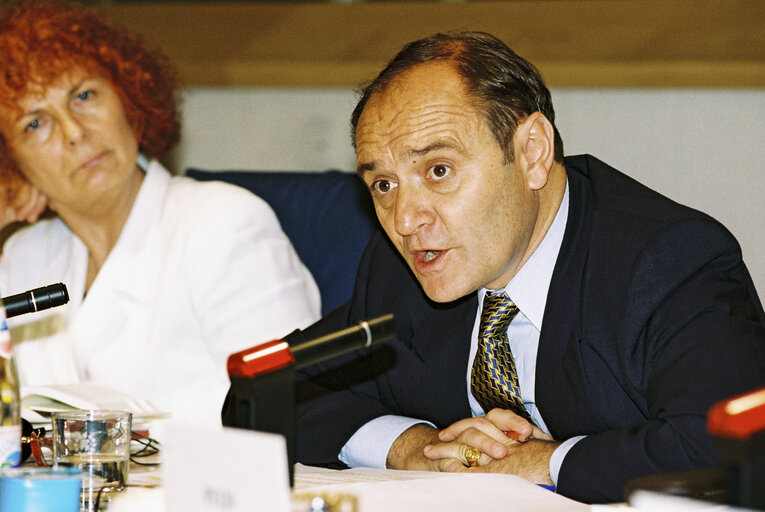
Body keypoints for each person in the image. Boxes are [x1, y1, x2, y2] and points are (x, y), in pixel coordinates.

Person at [225, 32, 765, 502]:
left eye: (438, 170)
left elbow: (723, 446)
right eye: (383, 185)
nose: (406, 219)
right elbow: (264, 396)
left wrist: (539, 463)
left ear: (531, 152)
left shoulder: (666, 260)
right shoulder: (401, 267)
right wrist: (413, 448)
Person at [0, 0, 321, 424]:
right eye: (35, 123)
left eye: (84, 95)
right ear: (11, 161)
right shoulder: (26, 254)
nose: (75, 132)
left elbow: (293, 414)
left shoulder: (221, 222)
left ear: (127, 97)